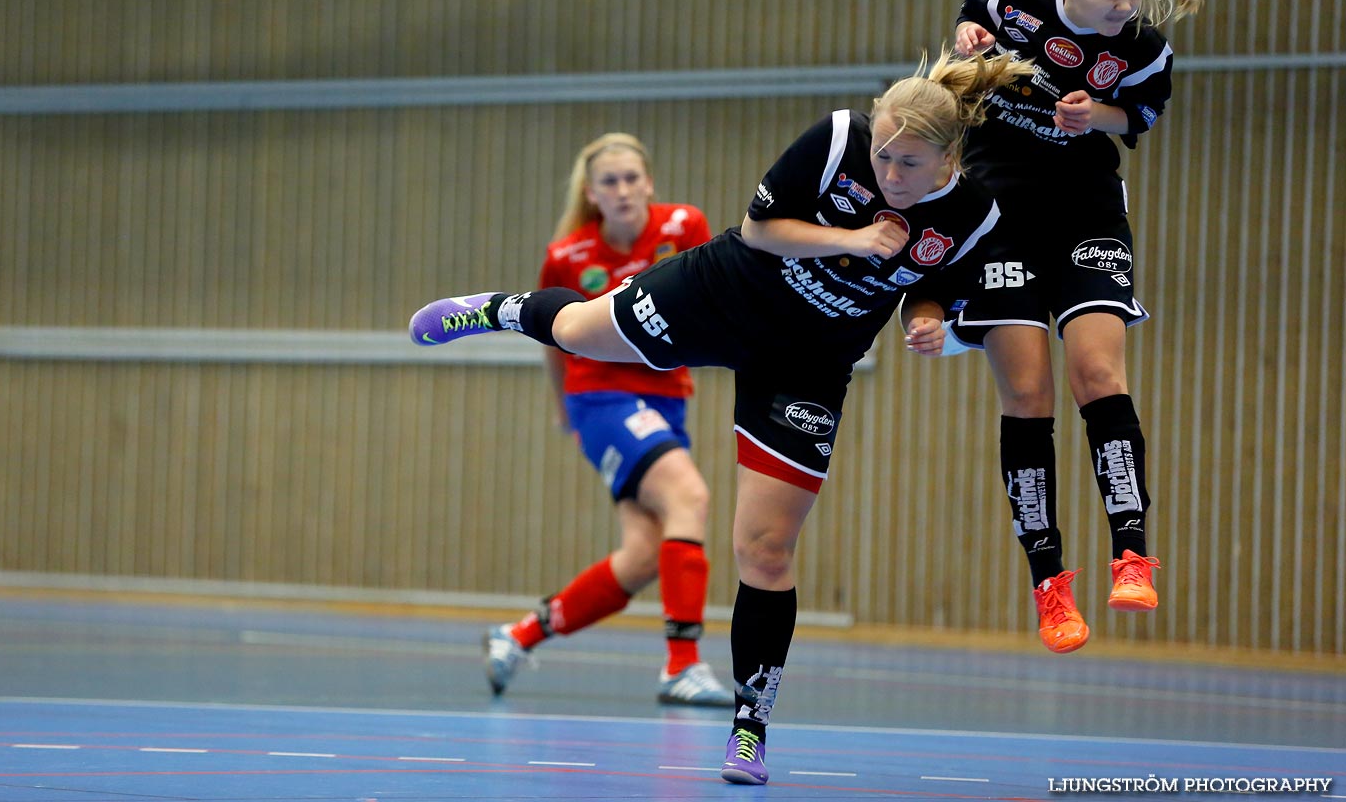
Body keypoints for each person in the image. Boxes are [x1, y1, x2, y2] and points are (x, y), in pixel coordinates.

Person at [411, 48, 1035, 785]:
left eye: (909, 164)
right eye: (884, 156)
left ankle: (750, 728)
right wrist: (852, 238)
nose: (891, 175)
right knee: (580, 330)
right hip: (726, 294)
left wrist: (926, 322)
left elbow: (933, 288)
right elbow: (763, 228)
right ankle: (494, 309)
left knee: (765, 550)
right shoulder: (836, 140)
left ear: (948, 157)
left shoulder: (973, 212)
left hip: (807, 364)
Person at [947, 0, 1233, 654]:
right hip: (999, 212)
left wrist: (1096, 117)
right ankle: (1049, 585)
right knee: (1028, 397)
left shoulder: (1142, 48)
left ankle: (1133, 553)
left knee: (1098, 375)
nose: (1127, 5)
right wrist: (970, 35)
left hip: (1086, 212)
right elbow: (972, 17)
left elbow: (1140, 117)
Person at [478, 131, 732, 708]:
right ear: (592, 194)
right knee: (689, 497)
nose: (622, 191)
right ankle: (682, 665)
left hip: (666, 398)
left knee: (644, 554)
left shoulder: (682, 228)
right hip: (600, 398)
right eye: (609, 182)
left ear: (648, 183)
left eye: (630, 179)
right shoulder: (567, 256)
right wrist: (562, 408)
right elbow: (550, 339)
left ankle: (518, 635)